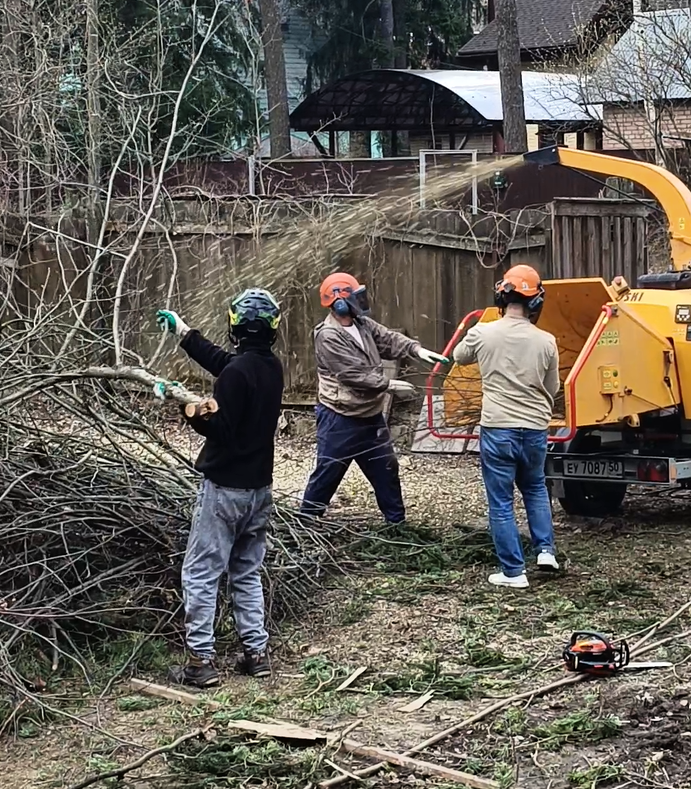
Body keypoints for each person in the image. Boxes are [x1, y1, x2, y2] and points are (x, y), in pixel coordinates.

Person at [156, 289, 284, 687]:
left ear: (234, 326)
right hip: (259, 490)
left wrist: (187, 407)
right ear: (272, 329)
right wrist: (184, 333)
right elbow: (228, 366)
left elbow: (221, 430)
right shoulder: (271, 367)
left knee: (201, 572)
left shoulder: (237, 373)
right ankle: (256, 654)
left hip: (225, 490)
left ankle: (200, 662)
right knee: (246, 572)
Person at [301, 272, 446, 523]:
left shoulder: (362, 324)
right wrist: (389, 385)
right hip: (340, 418)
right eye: (355, 296)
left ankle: (396, 524)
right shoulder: (328, 335)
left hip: (370, 415)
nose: (361, 300)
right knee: (328, 473)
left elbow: (388, 338)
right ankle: (306, 522)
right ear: (340, 302)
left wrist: (416, 349)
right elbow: (352, 374)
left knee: (386, 469)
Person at [452, 264, 560, 589]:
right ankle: (545, 551)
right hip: (535, 428)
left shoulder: (483, 332)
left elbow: (459, 356)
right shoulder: (547, 341)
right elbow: (552, 387)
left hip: (498, 427)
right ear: (536, 302)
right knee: (535, 488)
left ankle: (514, 572)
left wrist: (481, 334)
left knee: (501, 502)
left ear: (501, 297)